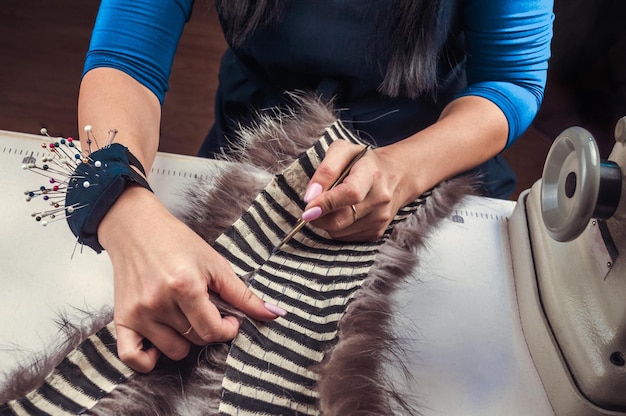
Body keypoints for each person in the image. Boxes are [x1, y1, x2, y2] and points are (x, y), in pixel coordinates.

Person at [77, 0, 553, 372]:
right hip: (251, 155)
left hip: (432, 167)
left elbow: (512, 82)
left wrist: (401, 169)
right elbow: (126, 59)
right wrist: (121, 202)